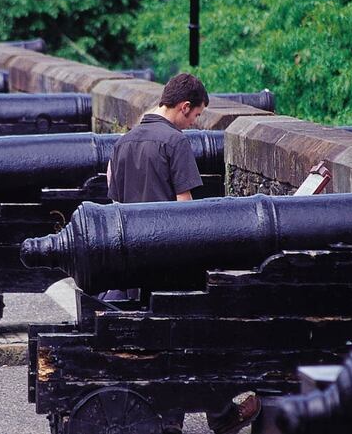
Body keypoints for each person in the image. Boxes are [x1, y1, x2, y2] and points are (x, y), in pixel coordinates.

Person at [106, 73, 261, 434]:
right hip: (168, 261)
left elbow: (115, 206)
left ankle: (174, 418)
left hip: (132, 265)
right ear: (184, 107)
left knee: (159, 342)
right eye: (195, 116)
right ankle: (217, 416)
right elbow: (185, 213)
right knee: (200, 333)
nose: (193, 124)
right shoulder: (175, 143)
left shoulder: (123, 143)